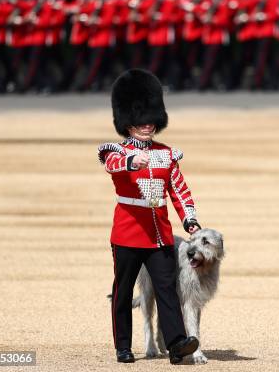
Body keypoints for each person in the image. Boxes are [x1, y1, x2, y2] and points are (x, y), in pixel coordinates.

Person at [98, 69, 200, 364]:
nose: (147, 126)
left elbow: (179, 189)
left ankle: (177, 343)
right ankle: (123, 346)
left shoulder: (166, 154)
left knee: (167, 290)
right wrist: (132, 160)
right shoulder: (116, 150)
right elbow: (114, 164)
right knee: (123, 291)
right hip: (128, 233)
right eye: (141, 121)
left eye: (151, 120)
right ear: (127, 123)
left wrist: (190, 219)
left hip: (159, 234)